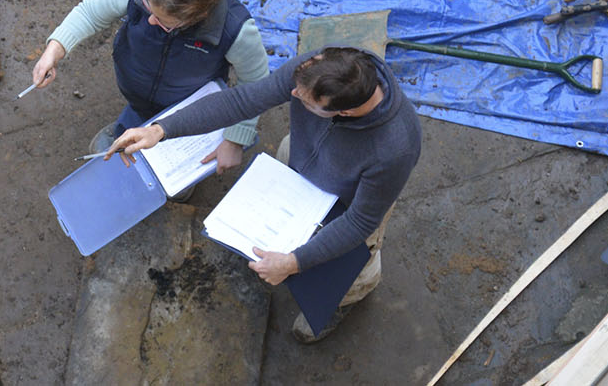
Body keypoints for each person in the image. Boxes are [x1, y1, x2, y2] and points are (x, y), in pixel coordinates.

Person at [106, 46, 421, 343]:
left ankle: (348, 296)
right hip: (300, 160)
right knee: (288, 229)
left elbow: (359, 222)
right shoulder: (320, 67)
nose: (293, 95)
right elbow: (242, 101)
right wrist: (160, 130)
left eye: (306, 101)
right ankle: (283, 244)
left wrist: (294, 263)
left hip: (353, 198)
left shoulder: (395, 148)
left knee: (354, 258)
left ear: (346, 113)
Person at [31, 0, 268, 177]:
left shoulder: (235, 29)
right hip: (137, 88)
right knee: (137, 115)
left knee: (177, 148)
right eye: (148, 8)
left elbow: (257, 83)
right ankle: (128, 127)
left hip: (187, 106)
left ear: (196, 17)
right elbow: (90, 13)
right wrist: (54, 50)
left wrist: (236, 138)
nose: (151, 20)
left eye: (164, 23)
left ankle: (174, 174)